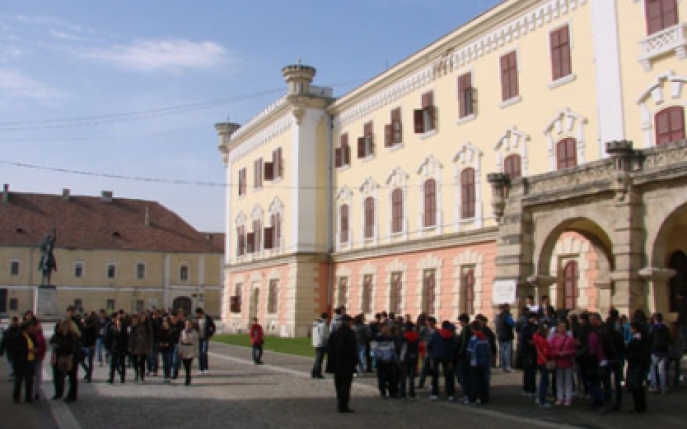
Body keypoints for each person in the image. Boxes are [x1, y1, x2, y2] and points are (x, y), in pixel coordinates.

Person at [326, 314, 357, 413]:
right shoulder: (350, 334)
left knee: (338, 384)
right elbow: (353, 350)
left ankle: (340, 403)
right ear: (348, 323)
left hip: (337, 363)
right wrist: (355, 361)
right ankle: (344, 405)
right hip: (347, 363)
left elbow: (329, 348)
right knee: (346, 385)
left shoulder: (335, 333)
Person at [427, 320, 456, 402]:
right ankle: (450, 394)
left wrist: (432, 353)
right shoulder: (451, 336)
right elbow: (452, 349)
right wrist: (451, 359)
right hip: (447, 357)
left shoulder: (436, 334)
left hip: (436, 355)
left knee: (435, 375)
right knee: (448, 376)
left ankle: (434, 393)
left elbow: (429, 344)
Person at [549, 319, 576, 406]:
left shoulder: (570, 339)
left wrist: (567, 353)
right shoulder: (554, 339)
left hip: (568, 362)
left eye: (564, 327)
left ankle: (568, 397)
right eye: (560, 327)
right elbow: (551, 350)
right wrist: (558, 353)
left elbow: (574, 350)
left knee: (568, 381)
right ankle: (560, 397)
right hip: (558, 362)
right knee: (559, 381)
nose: (562, 329)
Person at [626, 321, 649, 413]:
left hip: (635, 365)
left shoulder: (635, 341)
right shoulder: (643, 339)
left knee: (635, 387)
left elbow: (631, 354)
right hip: (641, 365)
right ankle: (642, 406)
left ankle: (638, 407)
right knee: (639, 386)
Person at [11, 321, 37, 404]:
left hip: (30, 360)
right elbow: (16, 349)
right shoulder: (18, 336)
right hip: (20, 361)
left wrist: (35, 350)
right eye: (30, 327)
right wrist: (28, 350)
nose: (32, 328)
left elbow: (35, 344)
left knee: (29, 379)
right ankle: (16, 396)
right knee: (19, 379)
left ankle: (28, 396)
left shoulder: (31, 336)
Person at [56, 319, 81, 403]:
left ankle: (72, 395)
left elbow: (66, 347)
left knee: (72, 377)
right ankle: (72, 394)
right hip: (75, 357)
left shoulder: (69, 336)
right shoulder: (76, 335)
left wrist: (60, 349)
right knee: (73, 377)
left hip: (70, 358)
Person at [466, 320, 491, 405]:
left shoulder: (473, 339)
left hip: (475, 362)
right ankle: (484, 398)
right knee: (484, 381)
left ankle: (473, 398)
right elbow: (488, 351)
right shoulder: (485, 338)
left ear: (473, 329)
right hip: (484, 362)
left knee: (474, 381)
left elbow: (469, 351)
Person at [371, 325, 398, 398]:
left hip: (389, 360)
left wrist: (394, 357)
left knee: (391, 377)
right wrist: (380, 357)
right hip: (381, 360)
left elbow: (392, 348)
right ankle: (383, 391)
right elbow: (375, 349)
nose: (386, 330)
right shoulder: (377, 338)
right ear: (381, 329)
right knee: (381, 377)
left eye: (387, 328)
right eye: (384, 328)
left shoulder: (389, 338)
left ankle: (392, 392)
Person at [648, 312, 670, 394]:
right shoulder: (666, 328)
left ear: (655, 319)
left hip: (655, 350)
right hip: (664, 350)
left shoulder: (652, 328)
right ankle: (663, 387)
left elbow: (649, 339)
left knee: (653, 368)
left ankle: (655, 386)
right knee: (662, 370)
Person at [533, 323, 553, 408]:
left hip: (540, 361)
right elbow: (547, 352)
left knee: (542, 380)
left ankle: (539, 398)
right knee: (544, 382)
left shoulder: (536, 337)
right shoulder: (543, 341)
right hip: (544, 361)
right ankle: (542, 400)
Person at [128, 313, 152, 383]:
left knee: (142, 362)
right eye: (141, 317)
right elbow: (131, 336)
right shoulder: (134, 325)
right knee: (134, 361)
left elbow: (150, 336)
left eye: (143, 317)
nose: (142, 319)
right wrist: (130, 345)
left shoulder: (147, 326)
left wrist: (150, 346)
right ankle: (137, 372)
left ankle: (142, 376)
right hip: (135, 345)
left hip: (144, 346)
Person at [105, 315, 128, 384]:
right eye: (117, 321)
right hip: (114, 348)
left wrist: (126, 349)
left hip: (122, 348)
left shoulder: (124, 328)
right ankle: (111, 378)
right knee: (113, 364)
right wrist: (109, 346)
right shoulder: (112, 327)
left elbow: (126, 339)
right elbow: (109, 337)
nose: (118, 322)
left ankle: (123, 378)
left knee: (122, 364)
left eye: (119, 321)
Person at [399, 322, 419, 400]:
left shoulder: (404, 336)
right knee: (411, 376)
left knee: (403, 376)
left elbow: (403, 348)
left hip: (405, 357)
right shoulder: (416, 336)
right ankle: (412, 392)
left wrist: (401, 359)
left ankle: (403, 392)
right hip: (414, 356)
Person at [195, 307, 216, 375]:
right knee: (200, 354)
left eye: (198, 314)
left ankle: (205, 368)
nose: (197, 315)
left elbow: (213, 326)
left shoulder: (207, 318)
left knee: (204, 352)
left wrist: (211, 334)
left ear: (201, 313)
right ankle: (201, 369)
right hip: (198, 338)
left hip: (205, 338)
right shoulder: (196, 319)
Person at [178, 319, 199, 385]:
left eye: (189, 324)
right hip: (184, 349)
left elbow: (196, 343)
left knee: (189, 365)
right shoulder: (182, 332)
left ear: (191, 325)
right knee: (185, 365)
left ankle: (187, 378)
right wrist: (180, 350)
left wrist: (196, 352)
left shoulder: (194, 332)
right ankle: (188, 375)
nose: (187, 326)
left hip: (191, 349)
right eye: (186, 324)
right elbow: (180, 342)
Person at [30, 320, 47, 400]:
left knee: (38, 375)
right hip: (31, 357)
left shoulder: (40, 335)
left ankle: (36, 392)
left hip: (37, 357)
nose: (40, 327)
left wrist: (41, 356)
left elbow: (44, 347)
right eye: (38, 325)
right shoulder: (32, 335)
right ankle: (32, 391)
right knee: (32, 375)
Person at [495, 304, 515, 372]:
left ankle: (502, 366)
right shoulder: (507, 316)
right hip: (507, 335)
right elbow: (512, 324)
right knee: (507, 352)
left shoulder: (497, 316)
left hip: (500, 335)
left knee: (502, 351)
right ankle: (508, 367)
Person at [311, 312, 330, 379]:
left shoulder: (316, 323)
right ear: (326, 317)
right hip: (321, 343)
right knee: (319, 359)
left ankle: (314, 372)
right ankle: (317, 373)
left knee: (317, 359)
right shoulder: (323, 324)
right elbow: (324, 335)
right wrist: (327, 341)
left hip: (316, 342)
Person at [158, 317, 175, 384]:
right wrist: (161, 343)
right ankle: (166, 376)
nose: (165, 323)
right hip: (163, 349)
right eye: (164, 322)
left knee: (169, 362)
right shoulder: (161, 330)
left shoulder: (172, 330)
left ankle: (168, 375)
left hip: (170, 348)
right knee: (165, 363)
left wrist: (169, 343)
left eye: (166, 321)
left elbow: (173, 339)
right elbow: (159, 338)